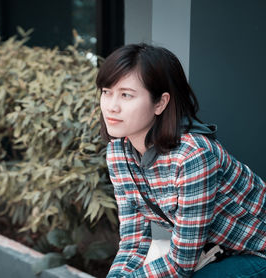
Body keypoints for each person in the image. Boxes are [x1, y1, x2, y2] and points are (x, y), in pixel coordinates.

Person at [97, 43, 266, 278]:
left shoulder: (193, 155)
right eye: (106, 91)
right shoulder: (118, 153)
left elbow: (181, 264)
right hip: (216, 253)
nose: (111, 106)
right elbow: (133, 243)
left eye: (126, 95)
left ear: (160, 103)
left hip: (257, 251)